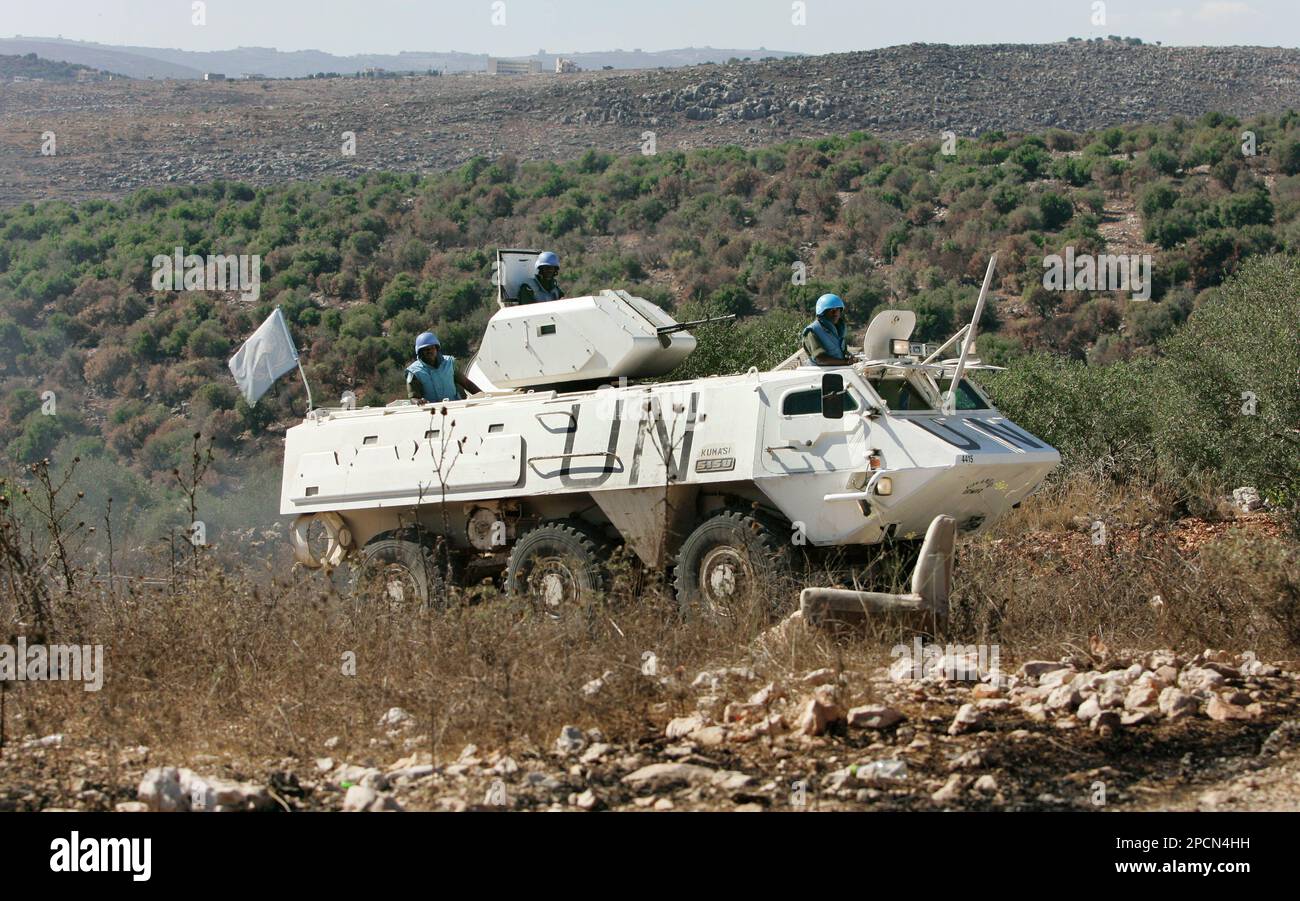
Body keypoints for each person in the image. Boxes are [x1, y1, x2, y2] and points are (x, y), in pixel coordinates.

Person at [406, 332, 480, 403]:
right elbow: (413, 397)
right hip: (431, 410)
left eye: (432, 347)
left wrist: (484, 396)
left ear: (437, 348)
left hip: (455, 406)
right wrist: (418, 401)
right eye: (426, 349)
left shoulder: (449, 363)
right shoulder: (414, 372)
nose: (430, 351)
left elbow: (466, 384)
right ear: (420, 352)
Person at [803, 293, 854, 365]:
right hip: (823, 374)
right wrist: (846, 362)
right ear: (822, 313)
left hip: (840, 371)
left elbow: (842, 351)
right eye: (832, 310)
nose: (836, 313)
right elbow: (820, 359)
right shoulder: (812, 331)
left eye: (838, 310)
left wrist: (850, 357)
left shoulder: (838, 330)